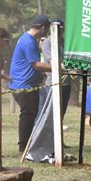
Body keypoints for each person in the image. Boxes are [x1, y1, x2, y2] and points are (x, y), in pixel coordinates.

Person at [8, 15, 52, 152]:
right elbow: (37, 65)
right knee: (28, 115)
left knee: (31, 114)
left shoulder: (28, 39)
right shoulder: (29, 41)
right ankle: (23, 147)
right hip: (24, 86)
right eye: (48, 29)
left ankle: (28, 144)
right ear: (43, 28)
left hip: (25, 84)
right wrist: (57, 67)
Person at [40, 18, 71, 116]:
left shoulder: (66, 43)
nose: (58, 30)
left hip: (66, 83)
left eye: (60, 28)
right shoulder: (47, 42)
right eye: (55, 28)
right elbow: (52, 62)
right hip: (52, 83)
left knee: (61, 113)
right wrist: (65, 67)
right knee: (51, 114)